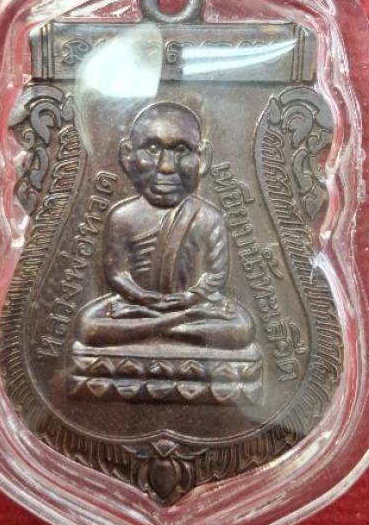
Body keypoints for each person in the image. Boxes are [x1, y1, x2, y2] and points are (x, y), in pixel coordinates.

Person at [72, 102, 255, 351]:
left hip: (194, 306)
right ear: (127, 156)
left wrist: (188, 298)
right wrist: (142, 297)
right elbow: (117, 273)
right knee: (87, 325)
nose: (166, 166)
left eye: (181, 150)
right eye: (152, 149)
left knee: (242, 328)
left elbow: (215, 275)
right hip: (137, 307)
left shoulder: (208, 217)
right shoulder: (122, 217)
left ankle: (156, 329)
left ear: (202, 159)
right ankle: (174, 328)